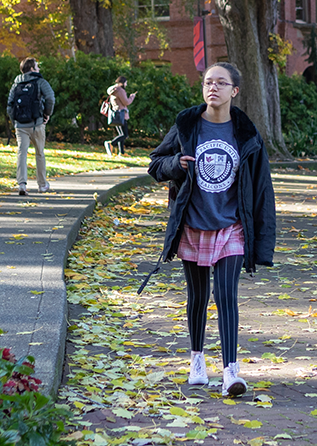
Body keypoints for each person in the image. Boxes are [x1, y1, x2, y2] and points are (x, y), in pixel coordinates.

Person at [147, 63, 276, 397]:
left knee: (226, 294)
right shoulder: (187, 125)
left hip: (231, 227)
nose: (212, 87)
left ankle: (231, 371)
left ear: (234, 91)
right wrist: (175, 165)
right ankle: (197, 360)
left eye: (221, 83)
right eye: (208, 82)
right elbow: (155, 165)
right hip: (193, 225)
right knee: (199, 297)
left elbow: (262, 189)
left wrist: (262, 244)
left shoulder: (246, 133)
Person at [6, 57, 55, 196]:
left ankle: (22, 184)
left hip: (20, 126)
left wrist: (15, 120)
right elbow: (51, 98)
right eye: (37, 66)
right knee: (39, 153)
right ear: (32, 69)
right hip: (37, 123)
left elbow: (10, 105)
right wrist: (47, 114)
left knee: (22, 152)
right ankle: (42, 185)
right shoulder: (40, 82)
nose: (39, 69)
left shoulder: (16, 84)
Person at [104, 76, 136, 156]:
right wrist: (132, 97)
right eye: (126, 82)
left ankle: (121, 152)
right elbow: (126, 102)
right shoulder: (120, 90)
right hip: (121, 114)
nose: (126, 84)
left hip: (116, 114)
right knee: (125, 135)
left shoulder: (113, 90)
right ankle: (111, 143)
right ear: (122, 83)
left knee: (121, 134)